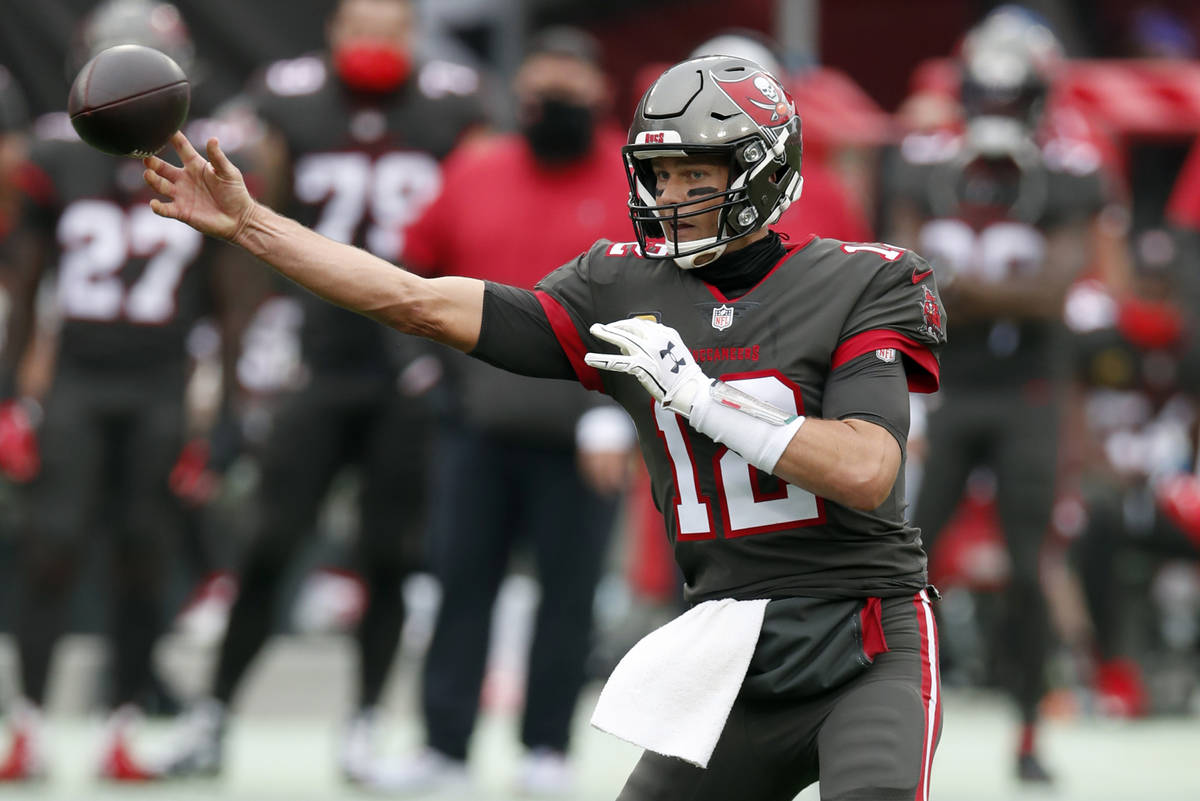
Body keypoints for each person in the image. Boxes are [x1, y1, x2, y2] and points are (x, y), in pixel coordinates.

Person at [144, 52, 947, 801]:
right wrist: (252, 224)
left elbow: (867, 469)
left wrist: (704, 399)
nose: (669, 198)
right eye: (658, 175)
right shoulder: (620, 285)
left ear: (762, 170)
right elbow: (415, 300)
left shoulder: (860, 280)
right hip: (735, 646)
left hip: (864, 634)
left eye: (694, 174)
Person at [162, 0, 488, 782]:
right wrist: (248, 340)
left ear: (414, 37)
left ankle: (366, 720)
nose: (375, 44)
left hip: (411, 355)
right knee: (272, 541)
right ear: (335, 34)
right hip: (317, 351)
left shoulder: (459, 103)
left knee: (388, 553)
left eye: (391, 30)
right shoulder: (287, 96)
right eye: (361, 28)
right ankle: (214, 715)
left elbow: (484, 210)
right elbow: (237, 200)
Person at [0, 0, 263, 781]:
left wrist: (226, 406)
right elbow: (26, 282)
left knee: (143, 557)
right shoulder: (55, 156)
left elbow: (232, 297)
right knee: (51, 547)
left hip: (160, 384)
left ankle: (121, 724)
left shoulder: (210, 159)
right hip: (78, 380)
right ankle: (29, 723)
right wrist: (11, 392)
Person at [372, 27, 634, 795]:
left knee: (571, 593)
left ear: (599, 94)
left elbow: (662, 300)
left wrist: (621, 411)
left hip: (585, 426)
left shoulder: (631, 176)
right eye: (541, 89)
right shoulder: (475, 168)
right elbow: (406, 273)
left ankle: (546, 747)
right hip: (477, 424)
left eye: (569, 88)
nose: (553, 103)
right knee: (460, 581)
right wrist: (424, 379)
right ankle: (445, 748)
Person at [882, 8, 1111, 783]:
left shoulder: (1070, 170)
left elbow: (1055, 292)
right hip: (951, 390)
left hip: (1030, 393)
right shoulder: (924, 164)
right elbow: (908, 283)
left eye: (1012, 96)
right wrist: (995, 292)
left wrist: (962, 291)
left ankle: (1025, 728)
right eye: (988, 92)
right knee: (904, 554)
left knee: (1025, 562)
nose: (999, 110)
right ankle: (890, 711)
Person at [1065, 229, 1200, 717]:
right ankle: (1110, 669)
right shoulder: (1097, 344)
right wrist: (1101, 465)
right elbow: (1070, 418)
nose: (1154, 299)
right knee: (1093, 532)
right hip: (1108, 488)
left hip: (1170, 490)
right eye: (1146, 288)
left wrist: (1179, 474)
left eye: (1162, 290)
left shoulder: (1188, 348)